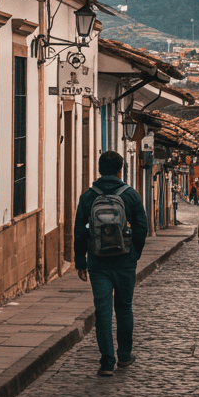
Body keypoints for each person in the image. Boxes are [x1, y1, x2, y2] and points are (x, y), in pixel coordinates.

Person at [74, 151, 149, 377]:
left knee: (103, 311)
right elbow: (141, 228)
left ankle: (107, 362)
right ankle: (124, 356)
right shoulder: (131, 195)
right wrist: (134, 254)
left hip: (98, 263)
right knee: (124, 308)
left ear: (99, 170)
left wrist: (81, 261)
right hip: (125, 261)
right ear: (121, 170)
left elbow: (80, 232)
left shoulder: (88, 197)